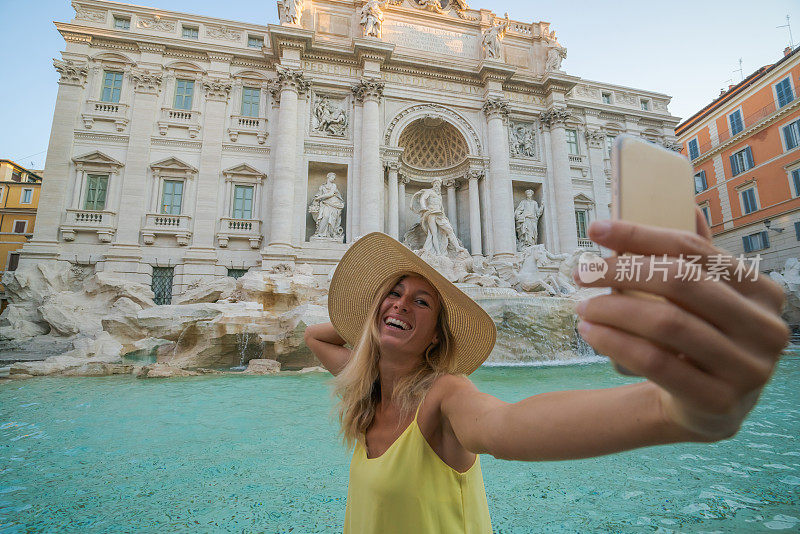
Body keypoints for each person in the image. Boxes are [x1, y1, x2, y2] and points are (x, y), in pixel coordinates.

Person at [304, 213, 788, 533]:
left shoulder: (445, 396)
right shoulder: (366, 389)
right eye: (393, 293)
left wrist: (667, 411)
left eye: (421, 301)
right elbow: (317, 338)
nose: (401, 303)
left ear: (436, 336)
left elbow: (508, 426)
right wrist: (375, 319)